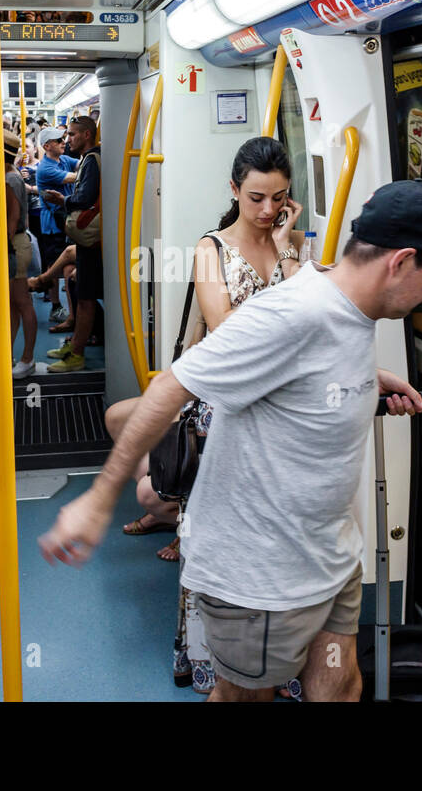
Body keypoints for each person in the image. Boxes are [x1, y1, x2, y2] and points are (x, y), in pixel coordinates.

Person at [40, 181, 422, 701]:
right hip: (261, 573)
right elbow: (170, 389)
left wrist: (368, 379)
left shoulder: (349, 308)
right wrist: (98, 502)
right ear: (401, 261)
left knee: (340, 686)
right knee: (245, 696)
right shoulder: (291, 314)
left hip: (328, 554)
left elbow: (308, 371)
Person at [114, 136, 306, 564]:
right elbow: (224, 329)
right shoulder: (211, 249)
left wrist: (284, 250)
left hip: (279, 392)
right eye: (256, 198)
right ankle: (183, 523)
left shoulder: (290, 247)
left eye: (279, 198)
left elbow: (307, 319)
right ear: (234, 190)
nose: (268, 211)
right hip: (229, 395)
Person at [42, 116, 102, 371]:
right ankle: (75, 342)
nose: (68, 140)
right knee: (76, 282)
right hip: (95, 239)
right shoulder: (89, 159)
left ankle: (77, 354)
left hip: (92, 239)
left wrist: (62, 202)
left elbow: (85, 197)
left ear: (87, 135)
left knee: (86, 297)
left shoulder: (90, 160)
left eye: (72, 135)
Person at [33, 126, 78, 324]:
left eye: (64, 139)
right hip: (53, 222)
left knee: (66, 265)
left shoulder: (64, 160)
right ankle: (55, 306)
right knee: (54, 263)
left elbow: (80, 164)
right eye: (59, 140)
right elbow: (75, 176)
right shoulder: (46, 168)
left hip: (67, 218)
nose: (64, 142)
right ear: (47, 146)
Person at [4, 141, 39, 378]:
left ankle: (27, 358)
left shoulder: (9, 179)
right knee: (13, 305)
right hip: (16, 243)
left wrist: (0, 247)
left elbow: (12, 217)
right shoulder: (13, 175)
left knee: (21, 302)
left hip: (13, 245)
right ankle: (8, 355)